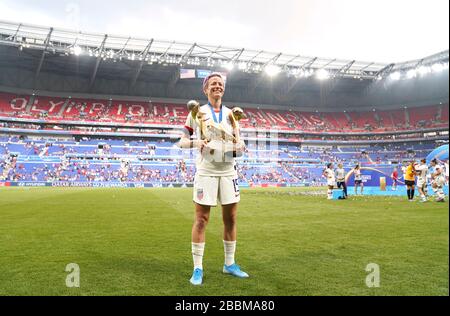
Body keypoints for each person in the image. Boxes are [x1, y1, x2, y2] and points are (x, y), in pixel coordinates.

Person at [178, 73, 248, 286]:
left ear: (223, 89)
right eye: (213, 84)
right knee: (201, 219)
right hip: (206, 171)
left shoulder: (232, 115)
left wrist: (240, 147)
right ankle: (197, 268)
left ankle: (229, 264)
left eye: (220, 84)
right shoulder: (196, 113)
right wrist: (196, 143)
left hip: (228, 171)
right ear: (205, 89)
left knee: (231, 219)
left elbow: (240, 144)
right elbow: (181, 141)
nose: (217, 86)